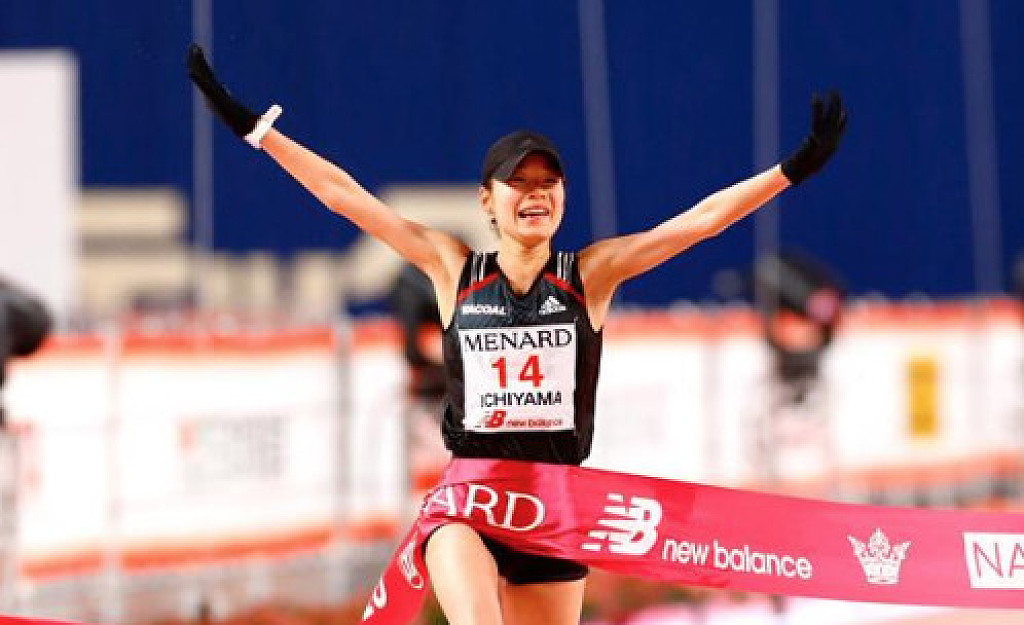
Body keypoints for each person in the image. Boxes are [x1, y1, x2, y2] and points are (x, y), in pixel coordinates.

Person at [187, 44, 846, 625]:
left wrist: (790, 171)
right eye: (518, 182)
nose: (535, 193)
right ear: (487, 200)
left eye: (548, 182)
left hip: (553, 509)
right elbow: (344, 196)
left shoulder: (591, 274)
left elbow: (699, 222)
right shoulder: (451, 267)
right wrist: (258, 131)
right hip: (469, 505)